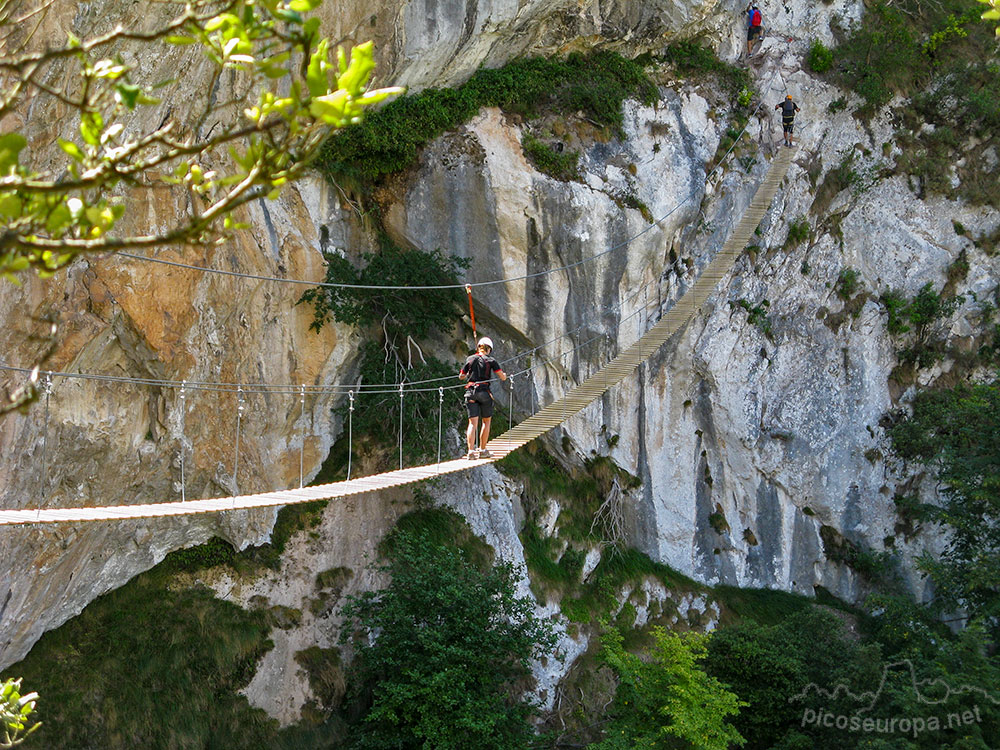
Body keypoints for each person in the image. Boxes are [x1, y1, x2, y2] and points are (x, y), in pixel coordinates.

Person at [459, 336, 507, 459]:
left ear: (478, 347)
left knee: (472, 424)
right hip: (484, 393)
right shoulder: (491, 361)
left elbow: (461, 376)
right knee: (486, 422)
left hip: (470, 392)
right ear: (489, 349)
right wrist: (505, 375)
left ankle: (470, 452)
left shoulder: (470, 359)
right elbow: (502, 377)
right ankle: (483, 450)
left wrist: (470, 372)